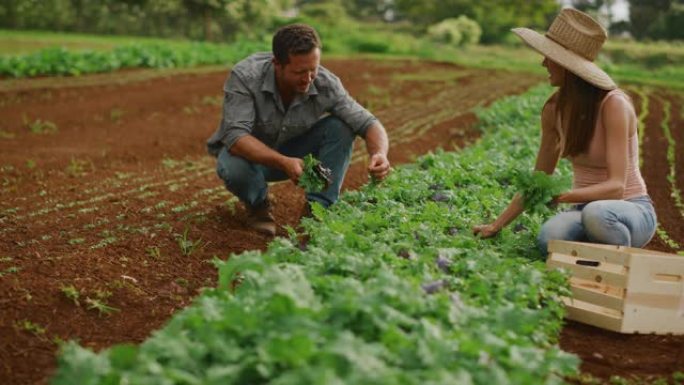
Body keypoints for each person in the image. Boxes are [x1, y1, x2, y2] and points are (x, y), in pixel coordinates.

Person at [472, 8, 657, 254]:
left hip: (628, 209)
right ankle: (595, 249)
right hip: (583, 211)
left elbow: (616, 188)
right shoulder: (553, 110)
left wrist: (562, 196)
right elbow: (539, 179)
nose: (544, 63)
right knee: (549, 238)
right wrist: (496, 225)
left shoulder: (613, 105)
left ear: (567, 66)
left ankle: (619, 262)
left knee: (597, 214)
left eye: (550, 57)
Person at [207, 24, 391, 236]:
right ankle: (259, 207)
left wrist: (379, 153)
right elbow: (235, 136)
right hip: (251, 158)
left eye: (314, 69)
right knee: (234, 168)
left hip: (294, 150)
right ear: (277, 63)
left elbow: (368, 122)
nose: (309, 78)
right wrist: (284, 162)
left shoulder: (325, 83)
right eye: (300, 72)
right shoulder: (246, 77)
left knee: (340, 127)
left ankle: (318, 210)